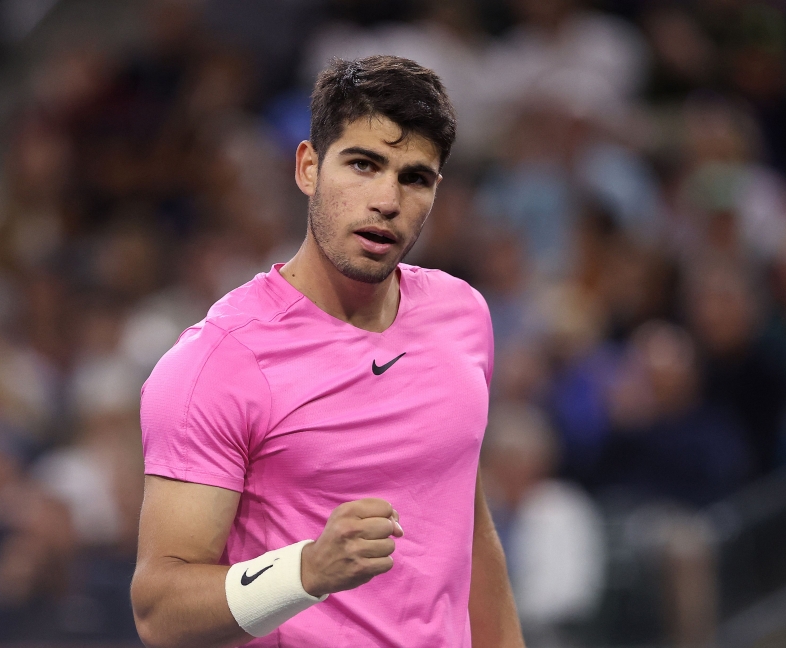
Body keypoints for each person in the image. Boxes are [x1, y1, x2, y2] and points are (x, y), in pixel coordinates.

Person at [131, 55, 525, 647]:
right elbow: (159, 611)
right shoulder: (217, 363)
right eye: (363, 165)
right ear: (308, 167)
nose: (387, 200)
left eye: (414, 177)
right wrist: (305, 572)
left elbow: (468, 529)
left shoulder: (462, 315)